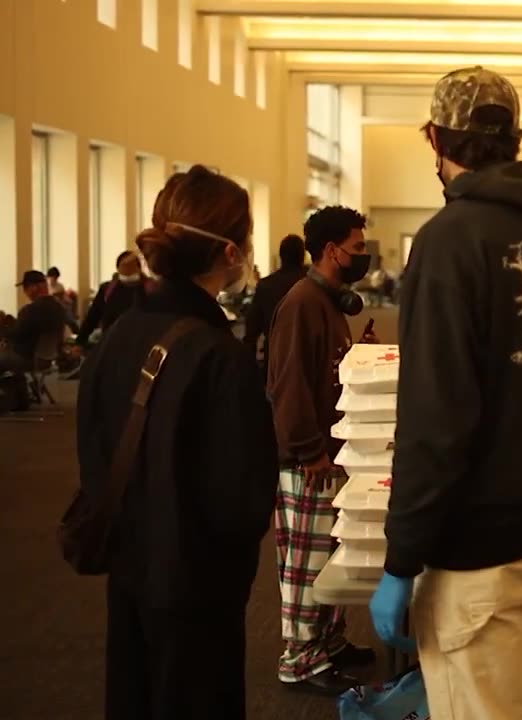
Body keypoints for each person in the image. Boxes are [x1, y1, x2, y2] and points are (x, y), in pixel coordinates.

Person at [367, 66, 522, 720]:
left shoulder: (449, 242)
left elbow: (435, 418)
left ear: (434, 137)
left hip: (478, 551)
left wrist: (403, 557)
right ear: (516, 141)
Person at [75, 166, 278, 720]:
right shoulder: (219, 356)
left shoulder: (120, 335)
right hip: (197, 584)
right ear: (231, 252)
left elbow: (91, 444)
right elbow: (242, 499)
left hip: (129, 567)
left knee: (134, 695)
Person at [266, 206, 375, 695]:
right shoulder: (302, 302)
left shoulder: (329, 303)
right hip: (308, 461)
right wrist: (309, 452)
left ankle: (328, 642)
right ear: (332, 251)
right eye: (357, 247)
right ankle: (300, 658)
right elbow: (287, 386)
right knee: (307, 564)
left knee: (332, 559)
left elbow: (325, 370)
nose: (364, 255)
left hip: (330, 457)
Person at [241, 234, 307, 367]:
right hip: (308, 356)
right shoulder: (312, 283)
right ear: (303, 256)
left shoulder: (266, 285)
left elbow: (252, 330)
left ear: (281, 256)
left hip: (276, 358)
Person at [2, 270, 71, 372]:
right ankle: (18, 386)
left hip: (28, 359)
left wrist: (3, 328)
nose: (24, 292)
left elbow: (17, 336)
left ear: (34, 288)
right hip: (48, 358)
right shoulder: (59, 307)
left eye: (25, 288)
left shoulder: (30, 310)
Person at [78, 251, 150, 346]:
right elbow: (93, 316)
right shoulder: (107, 289)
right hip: (111, 344)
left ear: (138, 269)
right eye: (125, 268)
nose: (128, 272)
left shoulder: (150, 289)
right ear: (118, 269)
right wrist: (80, 341)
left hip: (141, 345)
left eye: (130, 268)